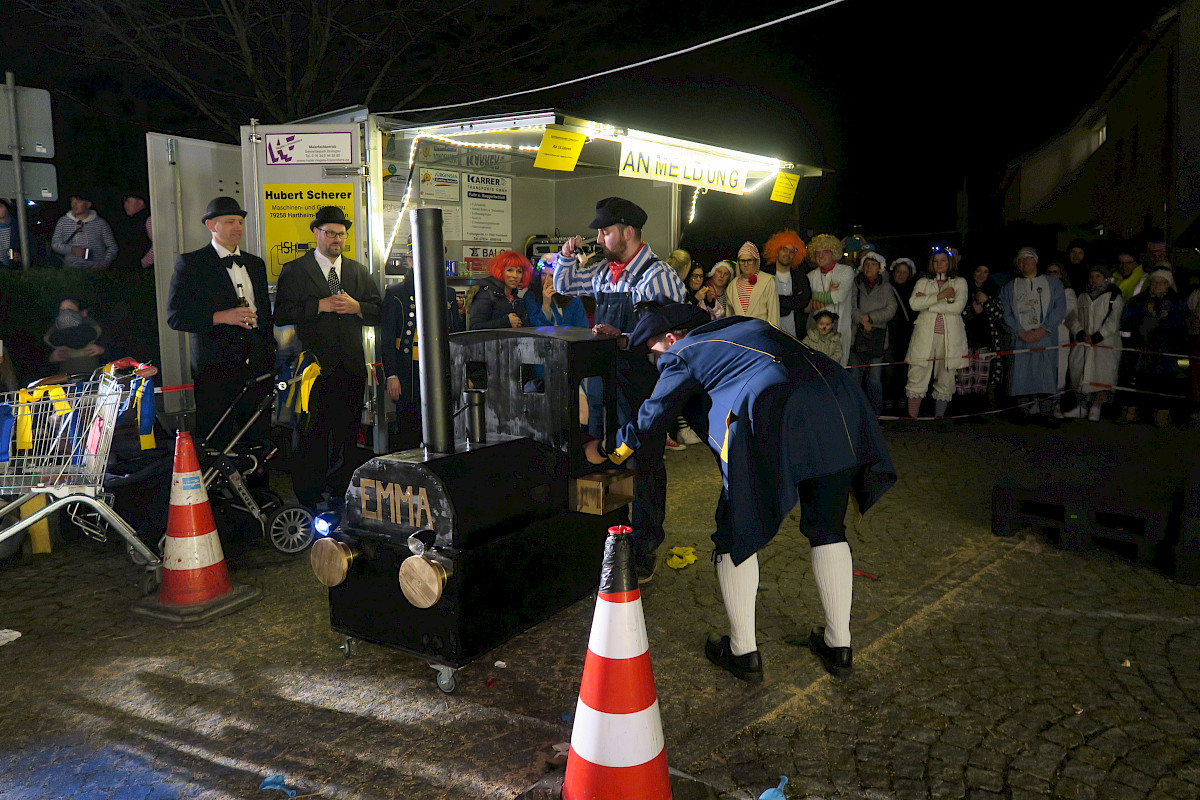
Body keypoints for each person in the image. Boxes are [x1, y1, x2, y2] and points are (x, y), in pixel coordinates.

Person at [583, 302, 896, 681]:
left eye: (654, 350)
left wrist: (606, 449)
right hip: (840, 398)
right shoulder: (741, 326)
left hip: (776, 408)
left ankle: (743, 651)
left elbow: (651, 417)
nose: (656, 361)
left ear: (671, 338)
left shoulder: (683, 352)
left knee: (735, 527)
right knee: (828, 527)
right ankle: (839, 645)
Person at [553, 197, 687, 581]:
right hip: (605, 387)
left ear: (628, 232)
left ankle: (644, 547)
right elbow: (564, 284)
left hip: (643, 387)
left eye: (605, 231)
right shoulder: (603, 273)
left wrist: (626, 337)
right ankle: (611, 538)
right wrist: (565, 257)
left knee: (644, 466)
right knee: (605, 462)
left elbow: (676, 337)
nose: (599, 238)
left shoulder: (658, 276)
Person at [275, 206, 382, 510]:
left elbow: (378, 311)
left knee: (346, 435)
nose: (337, 239)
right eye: (331, 233)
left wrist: (357, 307)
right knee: (311, 434)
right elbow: (281, 314)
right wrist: (317, 306)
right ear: (316, 233)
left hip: (350, 368)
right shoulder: (296, 270)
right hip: (312, 370)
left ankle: (342, 494)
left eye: (342, 234)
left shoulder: (358, 271)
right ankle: (309, 498)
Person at [167, 196, 276, 448]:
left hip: (257, 362)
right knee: (217, 435)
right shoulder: (192, 263)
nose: (237, 227)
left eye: (240, 222)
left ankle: (258, 473)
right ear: (211, 225)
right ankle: (216, 475)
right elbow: (176, 316)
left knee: (258, 432)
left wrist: (269, 349)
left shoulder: (255, 264)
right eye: (230, 222)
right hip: (215, 365)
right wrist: (222, 317)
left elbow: (265, 314)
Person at [380, 265, 464, 451]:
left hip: (439, 367)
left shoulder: (448, 294)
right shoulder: (396, 293)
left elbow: (456, 335)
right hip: (407, 369)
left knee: (441, 424)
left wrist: (461, 372)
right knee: (408, 426)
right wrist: (392, 375)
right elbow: (387, 338)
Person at [1001, 247, 1067, 417]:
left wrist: (1043, 329)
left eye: (1028, 258)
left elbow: (1059, 308)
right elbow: (1005, 313)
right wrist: (1020, 332)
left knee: (1045, 375)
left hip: (1045, 338)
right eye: (1021, 259)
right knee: (1021, 375)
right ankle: (1024, 411)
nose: (1025, 262)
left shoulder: (1053, 284)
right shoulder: (1009, 288)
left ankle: (1046, 411)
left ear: (1035, 260)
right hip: (1020, 339)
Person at [903, 246, 968, 419]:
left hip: (949, 337)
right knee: (917, 373)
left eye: (943, 261)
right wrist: (940, 296)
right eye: (936, 261)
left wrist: (927, 303)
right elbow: (913, 304)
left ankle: (939, 418)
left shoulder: (959, 282)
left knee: (946, 376)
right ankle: (912, 418)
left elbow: (957, 307)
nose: (939, 264)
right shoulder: (923, 281)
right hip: (924, 335)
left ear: (949, 262)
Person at [1122, 269, 1188, 427]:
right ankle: (1132, 413)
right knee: (1137, 383)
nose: (1158, 285)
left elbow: (1181, 328)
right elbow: (1127, 323)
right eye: (1155, 281)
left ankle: (1162, 415)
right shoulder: (1137, 302)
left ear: (1168, 284)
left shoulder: (1177, 303)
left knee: (1165, 385)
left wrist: (1164, 328)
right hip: (1141, 352)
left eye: (1162, 282)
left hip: (1166, 355)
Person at [1063, 266, 1123, 421]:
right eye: (1091, 276)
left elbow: (1113, 321)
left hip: (1104, 344)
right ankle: (1081, 406)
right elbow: (1073, 317)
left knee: (1102, 375)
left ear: (1105, 278)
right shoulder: (1083, 296)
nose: (1094, 279)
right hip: (1083, 343)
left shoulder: (1114, 296)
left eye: (1098, 276)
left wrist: (1097, 337)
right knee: (1079, 373)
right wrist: (1079, 332)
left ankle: (1097, 406)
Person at [848, 252, 896, 415]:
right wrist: (861, 319)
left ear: (879, 268)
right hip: (857, 337)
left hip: (877, 339)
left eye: (873, 265)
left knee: (874, 379)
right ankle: (854, 412)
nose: (869, 267)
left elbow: (891, 309)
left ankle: (876, 414)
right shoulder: (855, 284)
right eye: (866, 264)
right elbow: (850, 306)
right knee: (855, 378)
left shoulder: (886, 287)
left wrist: (870, 317)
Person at [958, 262, 1005, 411]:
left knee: (980, 380)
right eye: (978, 270)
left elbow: (999, 314)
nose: (981, 275)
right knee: (963, 379)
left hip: (985, 342)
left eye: (985, 271)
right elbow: (956, 313)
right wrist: (972, 310)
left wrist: (986, 301)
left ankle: (978, 412)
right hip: (964, 341)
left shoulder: (993, 289)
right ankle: (963, 411)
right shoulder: (962, 287)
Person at [806, 234, 854, 366]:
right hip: (815, 334)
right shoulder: (810, 277)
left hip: (840, 329)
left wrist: (814, 296)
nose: (820, 256)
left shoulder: (846, 271)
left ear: (833, 253)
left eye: (825, 252)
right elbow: (805, 305)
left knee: (839, 368)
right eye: (817, 253)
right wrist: (829, 295)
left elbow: (839, 297)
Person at [761, 230, 812, 338]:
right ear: (776, 251)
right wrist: (791, 301)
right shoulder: (764, 276)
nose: (788, 254)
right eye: (784, 249)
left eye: (792, 251)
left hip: (796, 337)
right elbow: (761, 302)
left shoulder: (801, 278)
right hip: (769, 336)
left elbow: (803, 301)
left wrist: (776, 300)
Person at [50, 194, 117, 269]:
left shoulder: (101, 223)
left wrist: (103, 264)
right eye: (72, 200)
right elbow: (55, 244)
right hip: (72, 269)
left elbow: (112, 247)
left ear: (88, 204)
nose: (74, 204)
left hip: (96, 269)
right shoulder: (63, 222)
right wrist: (72, 249)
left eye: (78, 201)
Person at [884, 258, 916, 412]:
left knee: (905, 371)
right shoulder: (887, 288)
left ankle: (902, 401)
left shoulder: (913, 291)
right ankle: (889, 401)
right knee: (889, 370)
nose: (901, 275)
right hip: (890, 335)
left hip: (907, 336)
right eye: (899, 272)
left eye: (905, 272)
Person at [470, 250, 532, 329]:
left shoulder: (517, 299)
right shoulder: (486, 294)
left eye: (519, 271)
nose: (515, 275)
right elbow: (475, 327)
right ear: (500, 271)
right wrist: (506, 322)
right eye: (510, 270)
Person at [44, 298, 105, 377]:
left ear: (83, 312)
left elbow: (114, 353)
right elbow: (36, 363)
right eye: (62, 310)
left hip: (93, 379)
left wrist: (102, 350)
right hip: (65, 381)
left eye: (69, 309)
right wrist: (51, 358)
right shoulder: (51, 334)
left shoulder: (97, 329)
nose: (65, 313)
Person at [1044, 262, 1077, 404]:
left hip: (1061, 338)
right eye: (1049, 272)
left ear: (1061, 275)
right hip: (1042, 337)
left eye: (1055, 272)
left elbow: (1065, 311)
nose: (1052, 275)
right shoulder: (1039, 291)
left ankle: (1056, 403)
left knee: (1060, 371)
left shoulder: (1068, 292)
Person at [726, 241, 778, 325]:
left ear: (756, 261)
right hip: (739, 332)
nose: (746, 264)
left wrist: (772, 333)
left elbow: (773, 314)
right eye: (742, 261)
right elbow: (729, 317)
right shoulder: (732, 285)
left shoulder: (767, 281)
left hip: (760, 331)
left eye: (749, 260)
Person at [525, 262, 588, 328]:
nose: (546, 280)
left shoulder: (573, 297)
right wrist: (546, 305)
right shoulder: (531, 297)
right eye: (543, 274)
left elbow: (583, 327)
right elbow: (536, 327)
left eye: (552, 276)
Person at [112, 192, 153, 270]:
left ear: (140, 202)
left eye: (128, 201)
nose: (125, 205)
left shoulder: (149, 220)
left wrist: (143, 263)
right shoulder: (128, 222)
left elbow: (158, 245)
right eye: (125, 202)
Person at [0, 200, 25, 268]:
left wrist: (22, 258)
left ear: (8, 208)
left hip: (13, 268)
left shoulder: (20, 227)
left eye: (1, 207)